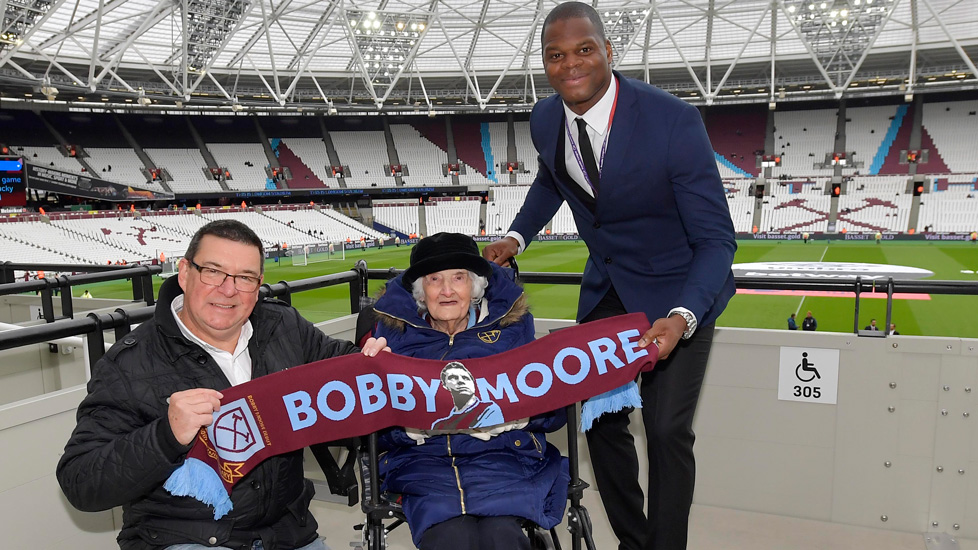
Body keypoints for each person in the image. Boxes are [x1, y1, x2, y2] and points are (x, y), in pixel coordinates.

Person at [481, 4, 736, 549]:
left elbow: (717, 241)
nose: (570, 64)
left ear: (608, 52)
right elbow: (554, 180)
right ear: (545, 64)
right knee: (598, 420)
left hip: (679, 291)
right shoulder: (545, 117)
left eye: (584, 50)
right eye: (556, 55)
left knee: (667, 430)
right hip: (610, 289)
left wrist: (684, 315)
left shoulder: (673, 120)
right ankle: (634, 541)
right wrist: (516, 237)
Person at [57, 220, 387, 550]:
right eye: (213, 272)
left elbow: (339, 363)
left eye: (244, 278)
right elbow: (80, 481)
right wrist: (165, 436)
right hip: (186, 538)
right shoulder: (131, 361)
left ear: (258, 286)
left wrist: (370, 358)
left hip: (286, 531)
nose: (228, 290)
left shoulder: (283, 326)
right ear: (184, 273)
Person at [367, 232, 567, 550]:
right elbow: (372, 431)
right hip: (423, 467)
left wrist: (520, 414)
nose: (447, 291)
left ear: (473, 287)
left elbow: (554, 412)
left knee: (502, 536)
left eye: (458, 278)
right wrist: (406, 428)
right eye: (435, 280)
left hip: (503, 459)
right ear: (421, 292)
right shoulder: (391, 337)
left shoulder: (511, 329)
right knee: (450, 539)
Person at [430, 361, 504, 430]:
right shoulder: (439, 425)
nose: (461, 381)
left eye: (465, 378)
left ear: (473, 383)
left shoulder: (489, 408)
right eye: (453, 378)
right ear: (445, 385)